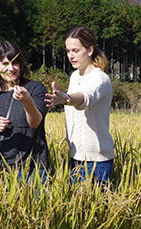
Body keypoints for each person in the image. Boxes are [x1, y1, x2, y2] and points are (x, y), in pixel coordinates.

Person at [45, 26, 114, 187]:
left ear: (90, 50)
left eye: (75, 50)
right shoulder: (74, 76)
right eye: (68, 51)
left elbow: (84, 98)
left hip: (96, 161)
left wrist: (65, 98)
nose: (71, 56)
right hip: (76, 157)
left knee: (94, 211)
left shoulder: (100, 78)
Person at [0, 41, 49, 184]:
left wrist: (26, 100)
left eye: (15, 63)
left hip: (31, 168)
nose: (11, 68)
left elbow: (36, 122)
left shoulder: (35, 89)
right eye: (5, 64)